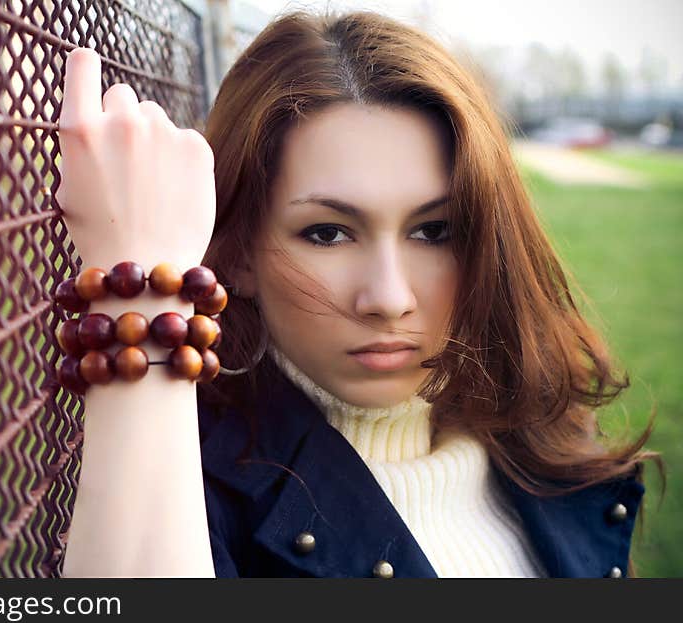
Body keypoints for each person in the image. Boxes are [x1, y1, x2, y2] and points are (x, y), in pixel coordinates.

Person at [57, 9, 661, 578]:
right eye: (327, 232)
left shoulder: (544, 443)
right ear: (237, 252)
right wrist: (138, 296)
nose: (389, 299)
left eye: (434, 231)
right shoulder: (189, 492)